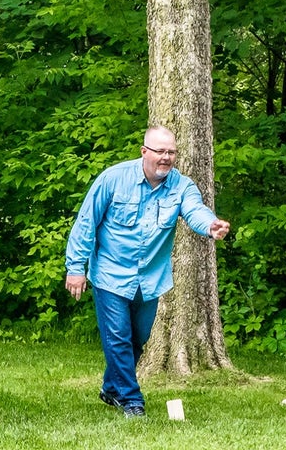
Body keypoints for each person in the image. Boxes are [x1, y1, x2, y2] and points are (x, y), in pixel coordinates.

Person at [64, 125, 230, 418]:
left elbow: (195, 210)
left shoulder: (182, 186)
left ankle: (112, 388)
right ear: (144, 152)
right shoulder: (113, 180)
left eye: (171, 152)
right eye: (160, 152)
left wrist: (210, 224)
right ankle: (132, 401)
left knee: (136, 339)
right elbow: (86, 223)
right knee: (117, 337)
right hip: (110, 275)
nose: (166, 158)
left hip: (150, 280)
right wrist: (75, 268)